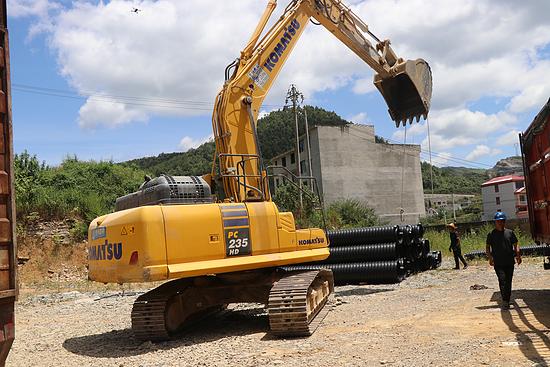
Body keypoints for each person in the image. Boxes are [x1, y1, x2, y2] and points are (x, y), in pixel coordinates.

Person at [486, 212, 522, 309]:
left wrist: (518, 255)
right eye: (498, 221)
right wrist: (490, 258)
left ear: (504, 222)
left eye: (502, 221)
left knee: (508, 281)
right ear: (495, 222)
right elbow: (487, 248)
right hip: (498, 263)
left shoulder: (510, 233)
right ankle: (505, 301)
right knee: (502, 281)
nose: (501, 223)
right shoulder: (491, 234)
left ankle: (507, 298)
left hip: (509, 262)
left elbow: (516, 244)